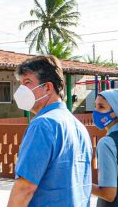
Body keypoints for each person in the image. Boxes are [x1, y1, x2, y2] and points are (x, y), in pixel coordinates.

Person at [7, 55, 92, 207]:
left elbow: (25, 188)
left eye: (27, 83)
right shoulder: (79, 127)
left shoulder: (43, 124)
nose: (21, 90)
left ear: (47, 87)